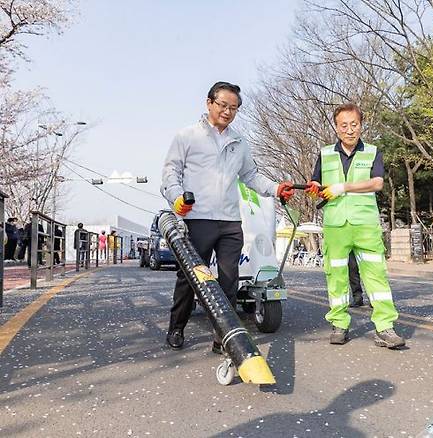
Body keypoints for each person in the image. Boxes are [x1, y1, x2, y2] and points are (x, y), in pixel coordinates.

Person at [160, 81, 295, 351]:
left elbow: (251, 176)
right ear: (209, 103)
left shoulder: (239, 143)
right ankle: (176, 328)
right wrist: (176, 198)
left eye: (233, 108)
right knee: (191, 277)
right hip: (198, 218)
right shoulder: (187, 136)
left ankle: (222, 336)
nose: (227, 111)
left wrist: (276, 188)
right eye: (222, 105)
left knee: (229, 279)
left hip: (230, 222)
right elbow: (170, 173)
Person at [306, 103, 405, 348]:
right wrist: (314, 189)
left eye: (354, 124)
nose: (350, 130)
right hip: (336, 224)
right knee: (336, 275)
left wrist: (343, 187)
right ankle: (339, 323)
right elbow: (315, 182)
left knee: (376, 276)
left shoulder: (372, 152)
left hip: (365, 223)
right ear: (336, 128)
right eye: (344, 125)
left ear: (361, 125)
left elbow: (377, 183)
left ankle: (385, 327)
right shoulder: (325, 153)